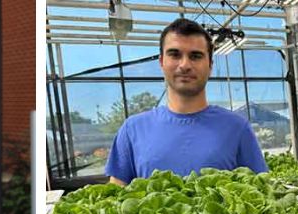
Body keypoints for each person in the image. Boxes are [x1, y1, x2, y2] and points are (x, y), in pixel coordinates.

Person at [105, 19, 267, 186]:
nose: (184, 65)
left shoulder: (237, 128)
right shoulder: (132, 130)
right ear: (161, 62)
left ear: (210, 65)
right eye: (175, 54)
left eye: (195, 56)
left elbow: (261, 193)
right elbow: (115, 199)